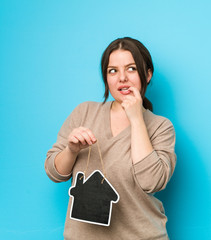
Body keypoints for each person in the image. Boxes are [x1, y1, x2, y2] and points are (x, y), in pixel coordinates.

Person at [44, 37, 176, 239]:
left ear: (147, 74)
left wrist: (137, 119)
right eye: (112, 70)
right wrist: (71, 150)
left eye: (131, 68)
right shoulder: (84, 113)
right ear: (106, 78)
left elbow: (151, 182)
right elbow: (55, 173)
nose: (122, 78)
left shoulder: (161, 126)